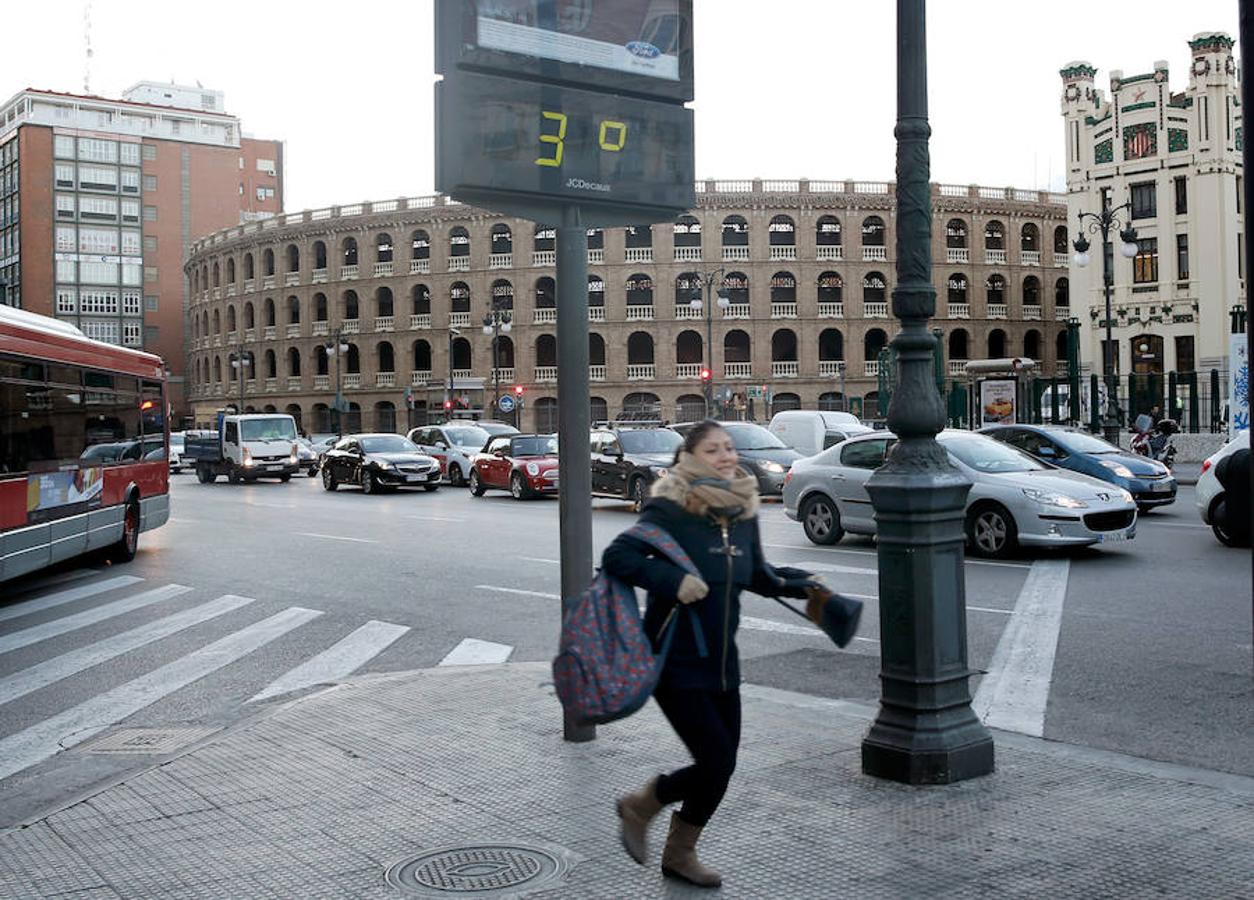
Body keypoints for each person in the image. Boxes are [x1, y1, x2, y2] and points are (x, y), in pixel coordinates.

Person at [602, 420, 817, 888]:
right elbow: (619, 557)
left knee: (721, 766)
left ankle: (678, 852)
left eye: (729, 448)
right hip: (675, 660)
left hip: (722, 660)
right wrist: (674, 581)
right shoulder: (670, 505)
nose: (727, 456)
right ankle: (645, 804)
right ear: (690, 458)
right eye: (714, 449)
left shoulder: (742, 509)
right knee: (715, 760)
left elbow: (755, 572)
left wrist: (801, 586)